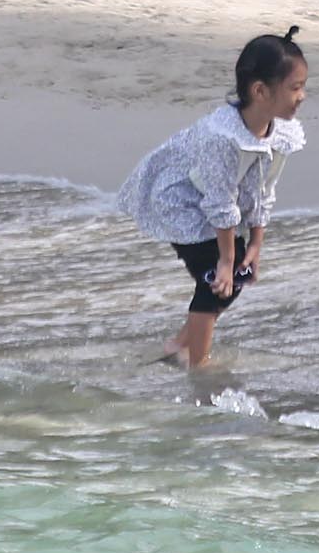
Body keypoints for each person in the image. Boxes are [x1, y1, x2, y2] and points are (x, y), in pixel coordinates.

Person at [119, 28, 309, 369]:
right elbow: (220, 201)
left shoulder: (276, 130)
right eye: (295, 87)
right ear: (260, 91)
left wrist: (254, 246)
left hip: (210, 199)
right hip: (178, 199)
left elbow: (262, 190)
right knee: (215, 280)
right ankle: (198, 367)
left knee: (234, 277)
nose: (303, 95)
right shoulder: (221, 137)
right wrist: (224, 260)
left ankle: (179, 344)